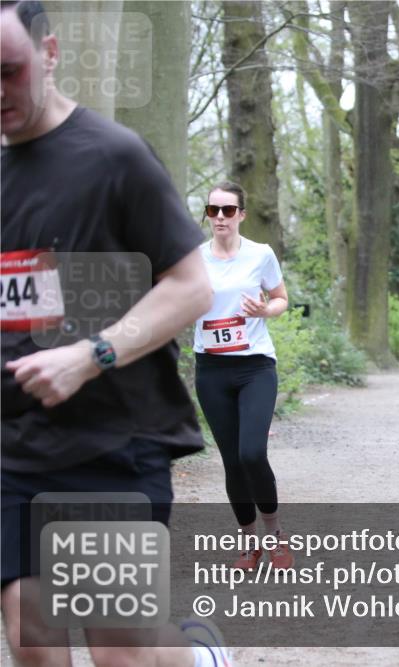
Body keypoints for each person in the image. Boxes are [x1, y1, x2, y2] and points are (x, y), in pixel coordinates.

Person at [1, 1, 232, 665]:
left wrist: (93, 354)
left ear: (49, 55)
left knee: (119, 649)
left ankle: (199, 656)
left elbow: (191, 284)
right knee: (32, 634)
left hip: (113, 441)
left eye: (8, 70)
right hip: (13, 450)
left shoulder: (114, 157)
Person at [193, 182, 292, 572]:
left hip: (254, 367)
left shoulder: (260, 255)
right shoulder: (193, 259)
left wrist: (266, 311)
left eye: (228, 210)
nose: (220, 217)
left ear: (242, 215)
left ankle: (276, 535)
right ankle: (249, 543)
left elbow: (282, 298)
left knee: (252, 452)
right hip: (211, 368)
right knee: (232, 461)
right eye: (213, 210)